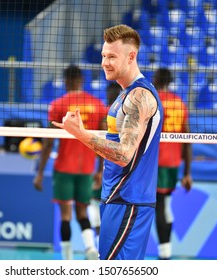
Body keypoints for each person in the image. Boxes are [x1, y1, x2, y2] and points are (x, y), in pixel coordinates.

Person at [52, 24, 164, 260]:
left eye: (112, 56)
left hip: (129, 199)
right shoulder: (124, 94)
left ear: (131, 56)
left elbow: (124, 155)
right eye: (104, 56)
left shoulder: (139, 96)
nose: (105, 62)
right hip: (118, 198)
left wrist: (80, 134)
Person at [33, 65, 107, 260]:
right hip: (87, 168)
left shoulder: (58, 104)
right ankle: (91, 248)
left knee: (66, 214)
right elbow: (102, 142)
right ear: (82, 80)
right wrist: (100, 170)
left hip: (64, 167)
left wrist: (40, 172)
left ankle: (66, 261)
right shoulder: (98, 105)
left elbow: (49, 142)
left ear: (66, 81)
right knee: (82, 211)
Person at [153, 68, 192, 260]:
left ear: (157, 79)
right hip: (173, 162)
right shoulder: (180, 103)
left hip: (155, 161)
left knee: (157, 206)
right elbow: (187, 139)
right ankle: (166, 253)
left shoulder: (152, 100)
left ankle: (163, 255)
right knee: (165, 205)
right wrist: (187, 173)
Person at [88, 82, 122, 248]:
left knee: (95, 202)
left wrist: (98, 170)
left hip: (108, 168)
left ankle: (99, 244)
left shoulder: (106, 117)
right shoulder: (127, 115)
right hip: (122, 168)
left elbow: (103, 147)